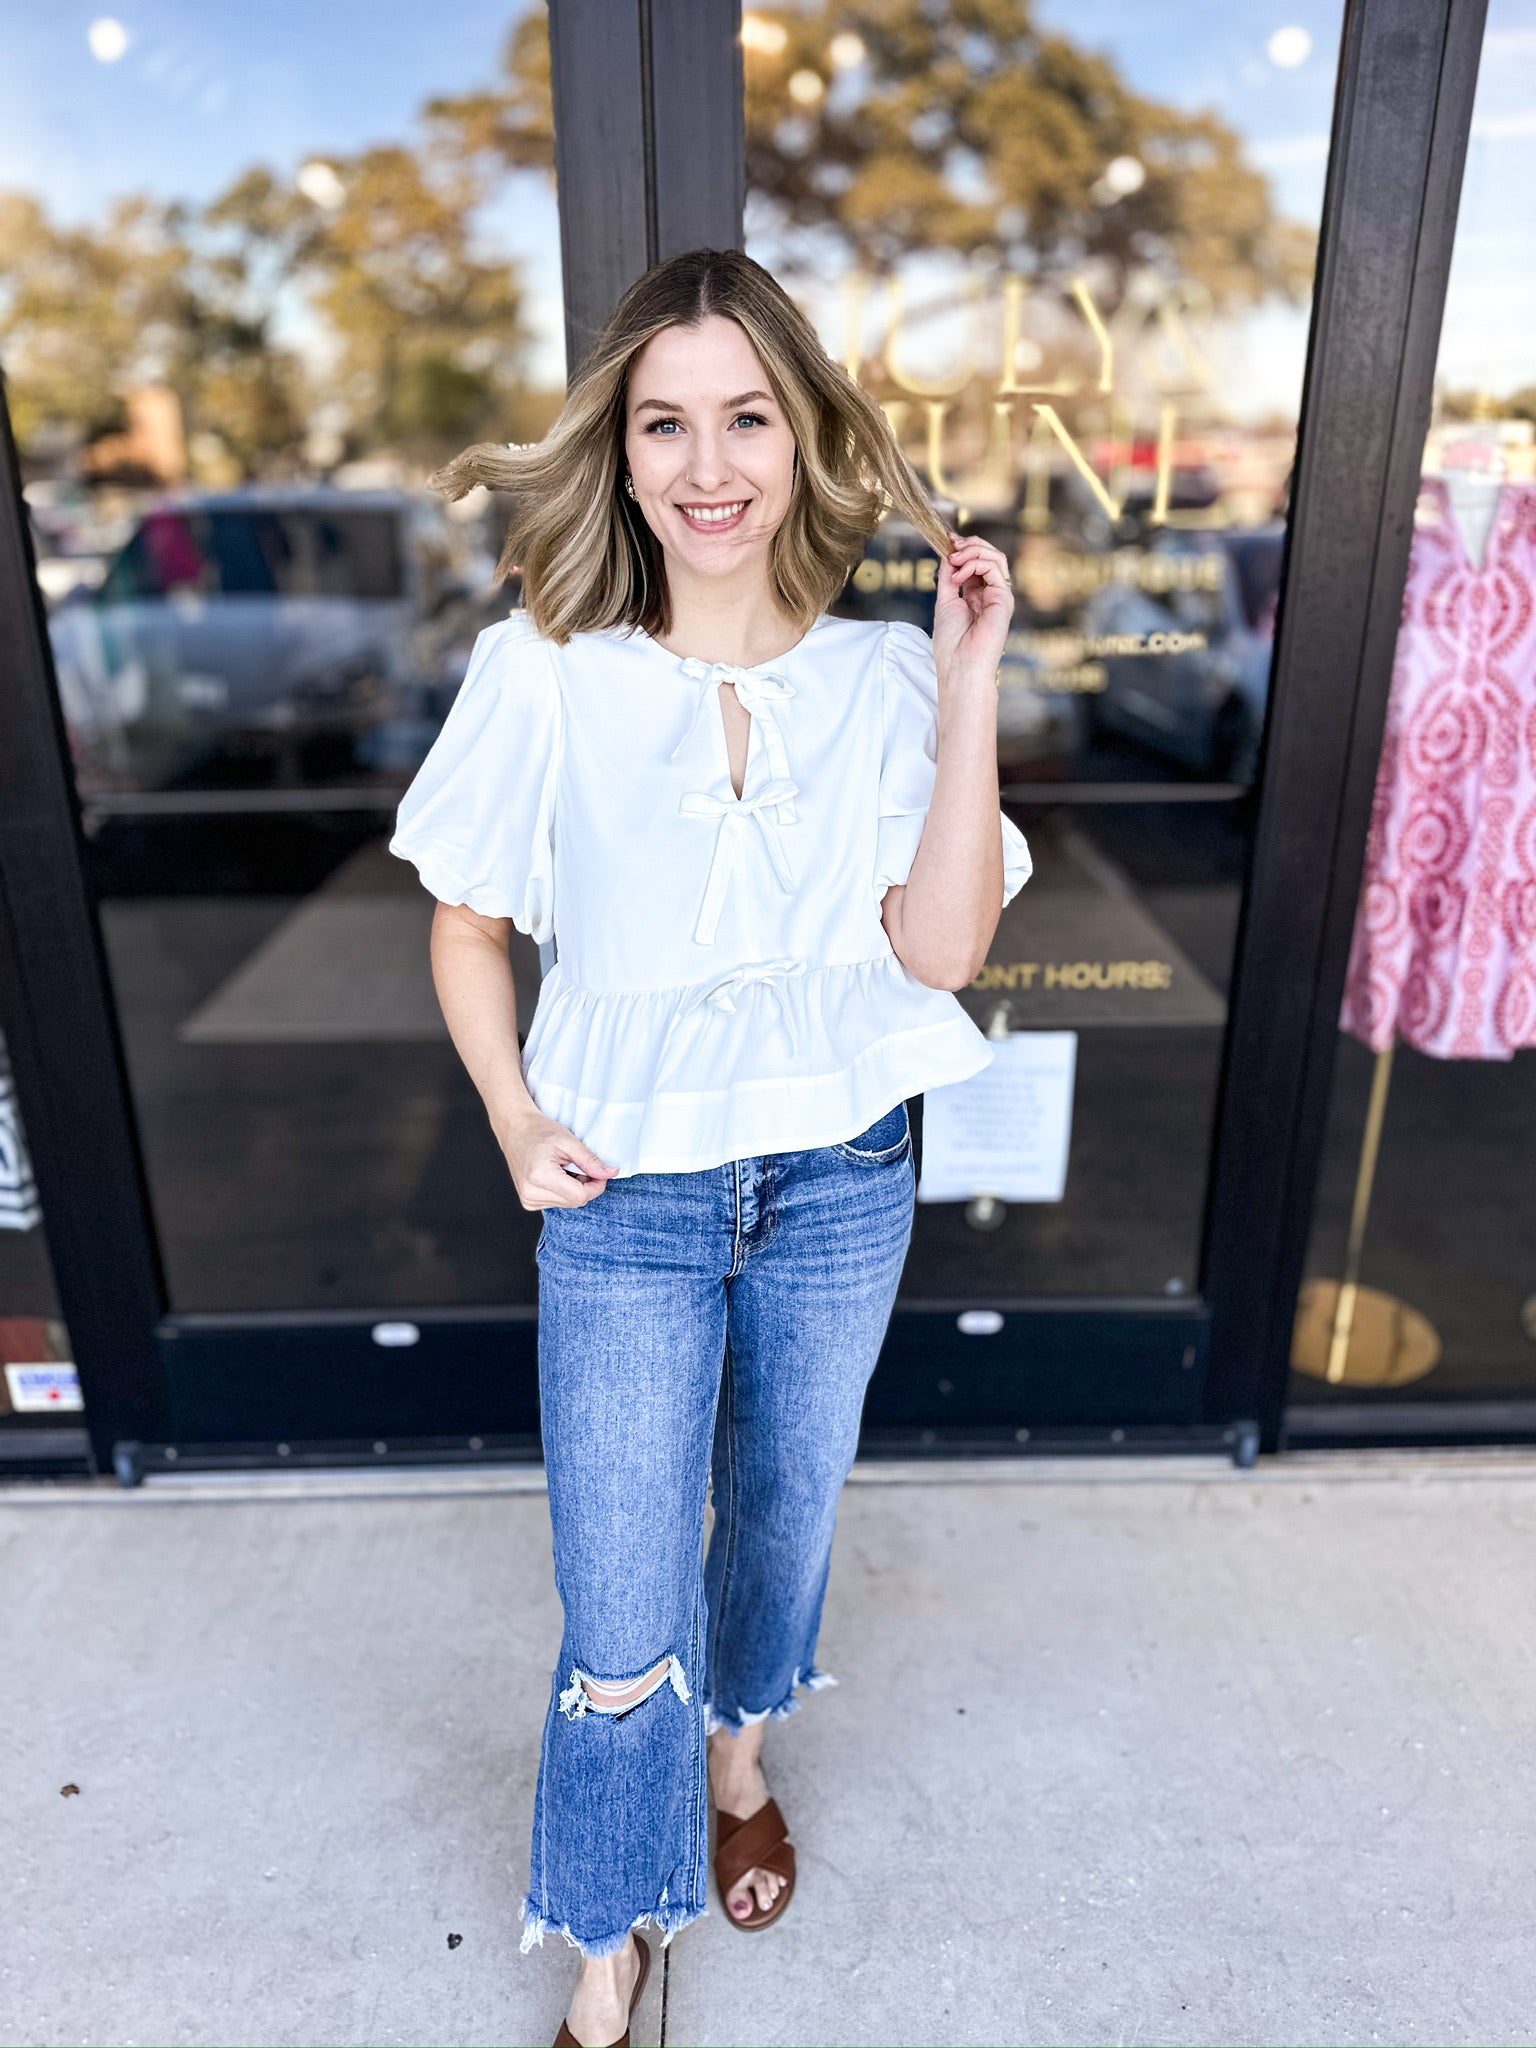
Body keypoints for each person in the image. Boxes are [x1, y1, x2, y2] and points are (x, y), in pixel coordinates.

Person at [390, 247, 1031, 2048]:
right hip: (625, 1203)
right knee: (617, 1596)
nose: (708, 462)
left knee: (779, 1526)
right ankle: (608, 1944)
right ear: (622, 448)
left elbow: (944, 952)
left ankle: (739, 1765)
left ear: (804, 429)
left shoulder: (890, 672)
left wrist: (970, 677)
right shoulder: (548, 672)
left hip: (841, 1183)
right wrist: (515, 1120)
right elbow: (465, 923)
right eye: (665, 421)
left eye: (745, 412)